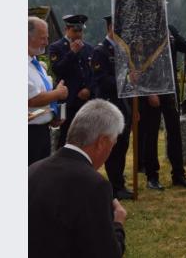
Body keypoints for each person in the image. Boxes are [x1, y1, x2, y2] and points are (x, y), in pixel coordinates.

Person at [29, 99, 127, 258]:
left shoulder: (33, 169)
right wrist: (118, 223)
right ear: (102, 142)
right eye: (112, 144)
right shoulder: (94, 185)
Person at [139, 24, 186, 191]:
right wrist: (149, 91)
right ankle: (152, 176)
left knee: (174, 131)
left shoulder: (170, 28)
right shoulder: (145, 28)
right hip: (152, 89)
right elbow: (139, 61)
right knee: (152, 133)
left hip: (170, 88)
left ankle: (178, 174)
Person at [91, 15, 133, 200]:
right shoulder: (101, 51)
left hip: (123, 103)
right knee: (113, 147)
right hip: (110, 103)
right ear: (110, 28)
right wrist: (125, 80)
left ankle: (119, 182)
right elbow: (102, 80)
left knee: (123, 145)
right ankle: (115, 187)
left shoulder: (122, 50)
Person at [48, 14, 94, 149]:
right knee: (64, 137)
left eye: (81, 30)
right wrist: (72, 53)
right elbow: (58, 70)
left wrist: (89, 89)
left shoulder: (89, 48)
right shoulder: (56, 47)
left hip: (84, 101)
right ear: (66, 30)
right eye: (75, 31)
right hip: (66, 102)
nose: (79, 34)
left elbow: (92, 73)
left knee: (84, 136)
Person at [28, 16, 68, 165]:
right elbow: (31, 100)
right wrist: (58, 93)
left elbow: (42, 97)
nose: (46, 42)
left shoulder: (36, 64)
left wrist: (54, 115)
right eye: (42, 38)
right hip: (30, 134)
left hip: (43, 130)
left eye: (47, 38)